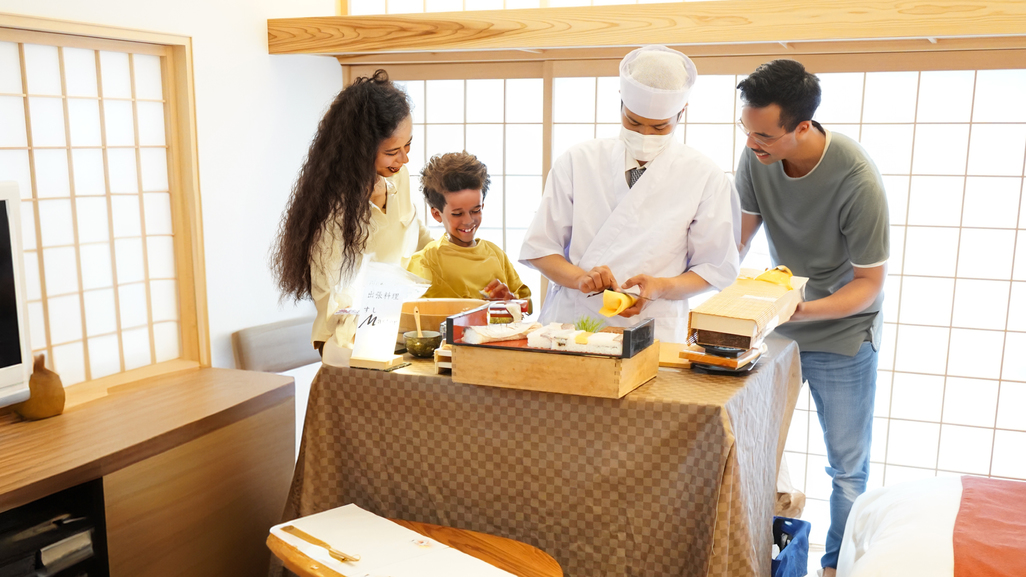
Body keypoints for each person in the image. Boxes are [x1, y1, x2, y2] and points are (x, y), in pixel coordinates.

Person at [734, 59, 889, 577]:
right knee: (750, 451)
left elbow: (868, 286)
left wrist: (797, 309)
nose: (753, 144)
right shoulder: (757, 154)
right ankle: (751, 557)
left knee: (846, 470)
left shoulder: (856, 178)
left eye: (763, 135)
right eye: (747, 130)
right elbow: (737, 238)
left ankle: (833, 568)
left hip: (843, 333)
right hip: (777, 329)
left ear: (801, 127)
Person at [519, 45, 740, 343]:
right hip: (572, 324)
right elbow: (540, 249)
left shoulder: (705, 177)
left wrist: (660, 286)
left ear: (681, 114)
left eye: (660, 126)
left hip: (652, 327)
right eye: (634, 122)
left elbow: (715, 268)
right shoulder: (578, 161)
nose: (645, 135)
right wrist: (580, 279)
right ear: (621, 103)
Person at [271, 69, 432, 366]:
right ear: (360, 149)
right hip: (348, 337)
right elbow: (332, 293)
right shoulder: (334, 205)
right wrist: (368, 328)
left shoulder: (400, 178)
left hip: (395, 325)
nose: (405, 158)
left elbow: (416, 235)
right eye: (393, 151)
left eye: (408, 145)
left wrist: (456, 254)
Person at [407, 151, 532, 308]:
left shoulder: (496, 255)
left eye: (476, 210)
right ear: (436, 214)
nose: (468, 221)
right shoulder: (427, 260)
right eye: (457, 214)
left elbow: (526, 305)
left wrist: (510, 301)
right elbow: (412, 312)